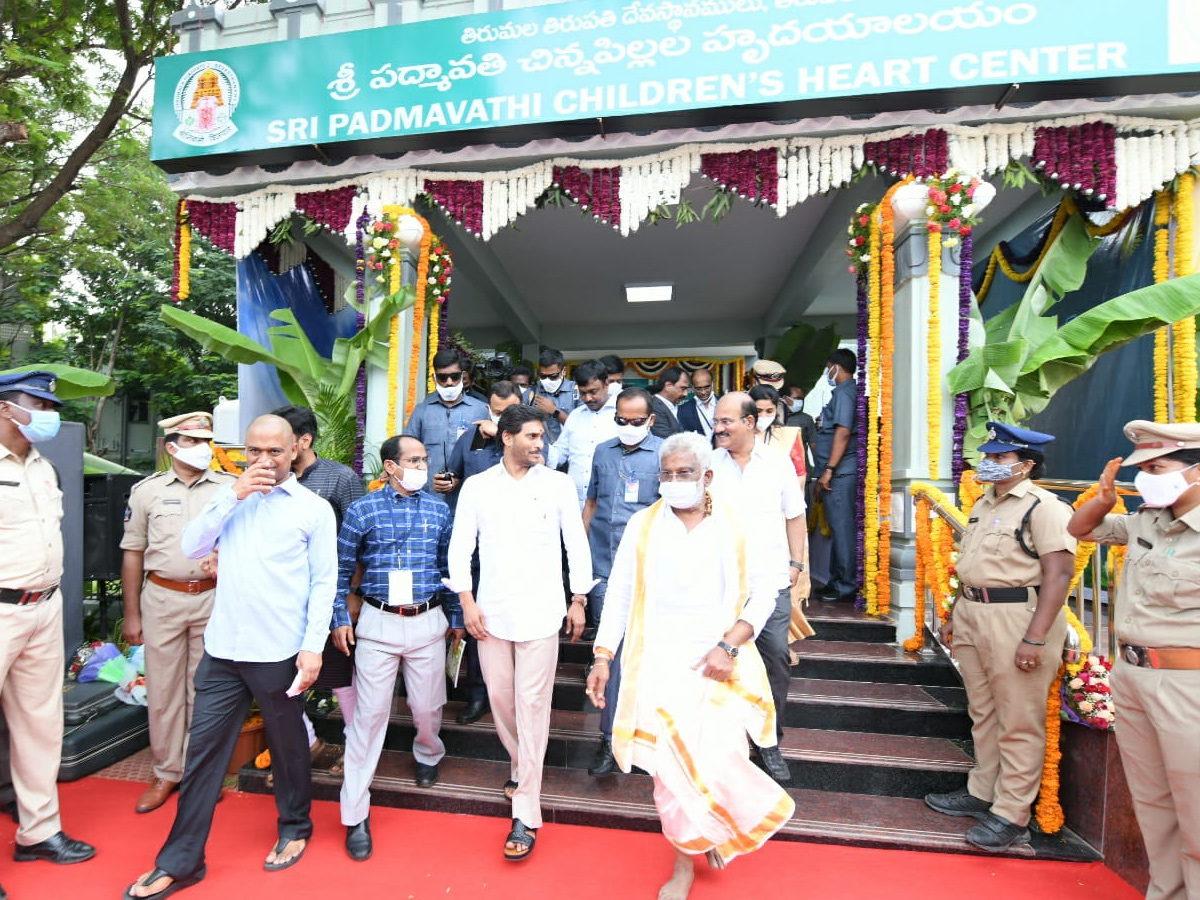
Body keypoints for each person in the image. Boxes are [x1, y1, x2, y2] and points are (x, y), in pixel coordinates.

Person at [124, 415, 337, 899]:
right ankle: (181, 860)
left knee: (287, 749)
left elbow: (325, 583)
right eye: (254, 452)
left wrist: (312, 648)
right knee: (202, 756)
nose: (264, 461)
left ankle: (295, 825)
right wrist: (233, 495)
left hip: (279, 650)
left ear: (295, 450)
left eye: (275, 452)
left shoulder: (313, 510)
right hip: (222, 651)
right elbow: (192, 545)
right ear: (243, 452)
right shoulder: (230, 499)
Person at [585, 432, 794, 900]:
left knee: (721, 758)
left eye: (685, 474)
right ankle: (684, 864)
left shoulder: (737, 525)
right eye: (667, 473)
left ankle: (711, 826)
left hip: (720, 663)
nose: (675, 482)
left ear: (708, 477)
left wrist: (730, 646)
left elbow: (764, 593)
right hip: (656, 663)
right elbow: (618, 596)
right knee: (670, 772)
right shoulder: (643, 524)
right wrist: (602, 656)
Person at [447, 405, 593, 861]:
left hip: (543, 611)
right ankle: (522, 763)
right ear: (506, 438)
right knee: (501, 701)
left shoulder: (558, 484)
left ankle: (526, 812)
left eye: (542, 436)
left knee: (533, 704)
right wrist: (467, 602)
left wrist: (578, 598)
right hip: (490, 614)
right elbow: (460, 546)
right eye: (531, 436)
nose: (539, 444)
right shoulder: (477, 486)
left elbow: (576, 543)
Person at [924, 422, 1075, 853]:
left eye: (999, 458)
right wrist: (955, 615)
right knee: (984, 713)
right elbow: (971, 565)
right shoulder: (984, 504)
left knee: (1018, 719)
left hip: (1017, 618)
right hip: (974, 613)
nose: (988, 463)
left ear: (1026, 465)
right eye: (986, 455)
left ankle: (1012, 814)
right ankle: (981, 791)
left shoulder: (1044, 507)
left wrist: (1036, 637)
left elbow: (1059, 573)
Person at [1067, 420, 1200, 896]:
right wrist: (1102, 500)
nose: (1144, 477)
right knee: (1156, 811)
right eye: (1140, 468)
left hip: (1188, 686)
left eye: (1156, 467)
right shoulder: (1147, 520)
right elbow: (1080, 530)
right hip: (1134, 679)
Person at [333, 436, 462, 861]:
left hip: (427, 621)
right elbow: (338, 570)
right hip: (378, 621)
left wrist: (457, 618)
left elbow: (449, 568)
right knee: (368, 718)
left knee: (427, 707)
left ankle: (428, 751)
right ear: (390, 466)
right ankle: (355, 813)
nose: (422, 465)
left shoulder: (439, 510)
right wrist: (339, 618)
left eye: (424, 459)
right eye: (414, 460)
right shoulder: (362, 510)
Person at [0, 371, 96, 898]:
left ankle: (37, 833)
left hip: (43, 607)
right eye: (36, 403)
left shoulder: (44, 467)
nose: (48, 413)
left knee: (41, 725)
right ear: (5, 409)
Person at [120, 411, 235, 814]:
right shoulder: (146, 491)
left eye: (207, 441)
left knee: (205, 689)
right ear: (171, 448)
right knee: (165, 691)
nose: (203, 448)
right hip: (163, 598)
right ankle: (167, 771)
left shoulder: (229, 487)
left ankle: (200, 773)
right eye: (193, 442)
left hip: (213, 598)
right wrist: (131, 614)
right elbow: (133, 553)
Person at [709, 392, 807, 784]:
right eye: (716, 421)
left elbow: (795, 516)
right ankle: (725, 739)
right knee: (722, 658)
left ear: (750, 423)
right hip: (721, 585)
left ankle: (769, 741)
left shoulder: (777, 463)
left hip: (770, 582)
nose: (718, 428)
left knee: (775, 658)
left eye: (726, 421)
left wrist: (795, 565)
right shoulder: (708, 464)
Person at [272, 404, 365, 777]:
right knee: (280, 677)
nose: (270, 453)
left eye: (280, 443)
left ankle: (358, 748)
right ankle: (307, 745)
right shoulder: (267, 481)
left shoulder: (340, 479)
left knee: (339, 675)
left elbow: (362, 539)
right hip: (282, 600)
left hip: (331, 596)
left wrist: (353, 592)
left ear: (303, 441)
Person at [580, 388, 663, 776]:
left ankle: (648, 735)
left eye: (635, 421)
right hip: (602, 564)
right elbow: (592, 503)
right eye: (621, 420)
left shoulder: (665, 454)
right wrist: (578, 557)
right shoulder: (602, 452)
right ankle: (607, 739)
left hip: (648, 571)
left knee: (644, 655)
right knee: (606, 651)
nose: (627, 427)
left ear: (650, 421)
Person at [445, 378, 527, 725]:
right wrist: (447, 482)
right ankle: (479, 696)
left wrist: (506, 438)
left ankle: (519, 703)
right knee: (482, 626)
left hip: (522, 557)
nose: (501, 418)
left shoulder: (534, 441)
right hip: (479, 555)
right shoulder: (471, 439)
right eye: (496, 412)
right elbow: (455, 479)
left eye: (509, 413)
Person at [749, 386, 814, 650]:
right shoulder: (735, 436)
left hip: (782, 516)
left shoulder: (787, 436)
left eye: (769, 411)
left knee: (785, 583)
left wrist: (783, 502)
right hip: (748, 521)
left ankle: (783, 644)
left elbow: (800, 474)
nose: (764, 416)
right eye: (758, 410)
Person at [403, 349, 488, 503]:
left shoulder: (480, 410)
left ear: (462, 376)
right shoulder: (422, 410)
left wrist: (459, 477)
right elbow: (407, 452)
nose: (449, 382)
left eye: (454, 377)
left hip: (468, 496)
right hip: (428, 496)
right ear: (434, 378)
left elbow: (484, 454)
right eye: (443, 377)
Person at [813, 349, 859, 603]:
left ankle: (845, 586)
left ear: (836, 367)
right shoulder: (844, 393)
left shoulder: (844, 393)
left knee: (842, 530)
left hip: (840, 473)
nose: (827, 373)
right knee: (838, 529)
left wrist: (829, 470)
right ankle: (836, 581)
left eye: (828, 368)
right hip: (837, 472)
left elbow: (843, 432)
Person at [547, 360, 618, 508]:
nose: (588, 399)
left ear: (606, 384)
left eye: (593, 392)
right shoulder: (575, 416)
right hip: (575, 503)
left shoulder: (621, 414)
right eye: (583, 393)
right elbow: (560, 453)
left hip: (610, 504)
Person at [529, 347, 578, 443]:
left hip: (570, 449)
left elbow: (580, 428)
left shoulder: (576, 391)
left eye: (553, 376)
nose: (547, 380)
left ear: (563, 370)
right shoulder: (533, 392)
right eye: (543, 376)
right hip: (542, 451)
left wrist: (554, 411)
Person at [648, 366, 689, 439]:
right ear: (668, 386)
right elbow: (666, 440)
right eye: (683, 388)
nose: (686, 394)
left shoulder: (676, 406)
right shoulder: (653, 407)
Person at [677, 367, 717, 439]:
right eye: (699, 389)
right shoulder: (683, 410)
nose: (703, 392)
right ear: (692, 387)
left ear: (712, 384)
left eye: (707, 387)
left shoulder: (724, 403)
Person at [784, 384, 816, 450]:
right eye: (797, 398)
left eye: (802, 399)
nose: (800, 402)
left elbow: (813, 445)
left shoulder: (806, 419)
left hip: (801, 459)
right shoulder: (772, 417)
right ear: (785, 398)